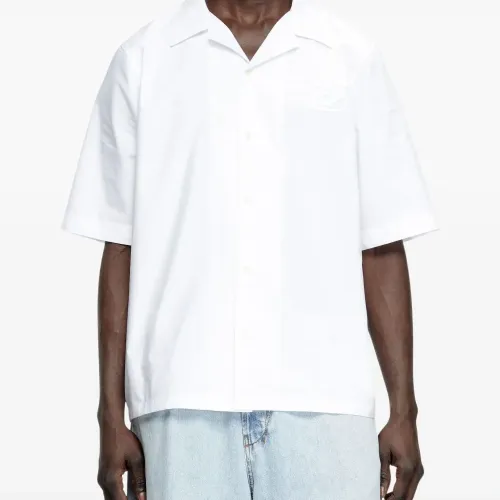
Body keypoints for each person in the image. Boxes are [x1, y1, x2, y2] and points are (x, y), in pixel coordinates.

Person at [62, 0, 437, 498]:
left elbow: (382, 241)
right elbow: (120, 243)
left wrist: (404, 411)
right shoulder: (145, 59)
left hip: (326, 403)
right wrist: (109, 415)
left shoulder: (349, 57)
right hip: (182, 404)